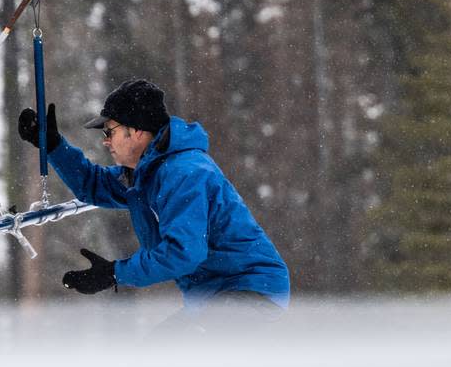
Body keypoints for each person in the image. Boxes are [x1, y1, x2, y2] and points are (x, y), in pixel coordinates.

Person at [18, 79, 290, 323]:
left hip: (249, 294)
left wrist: (114, 273)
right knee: (155, 362)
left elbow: (183, 253)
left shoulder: (184, 173)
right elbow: (94, 185)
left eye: (109, 131)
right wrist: (52, 144)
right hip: (217, 296)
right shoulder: (147, 175)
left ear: (136, 131)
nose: (105, 141)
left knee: (162, 364)